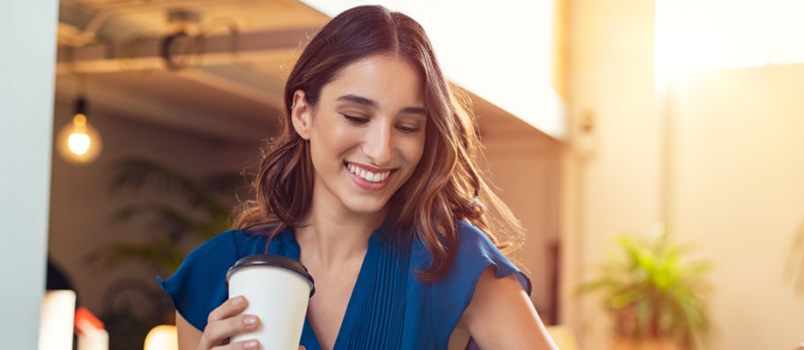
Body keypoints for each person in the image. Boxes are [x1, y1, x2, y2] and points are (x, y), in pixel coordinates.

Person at [159, 5, 558, 350]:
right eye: (356, 117)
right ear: (303, 114)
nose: (381, 150)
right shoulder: (216, 271)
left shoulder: (457, 262)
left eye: (407, 126)